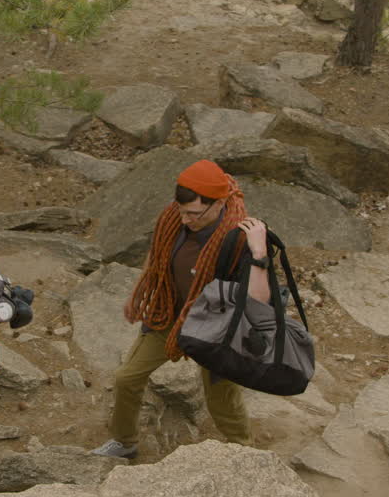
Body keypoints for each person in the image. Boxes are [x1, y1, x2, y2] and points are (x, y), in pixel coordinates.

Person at [92, 159, 272, 459]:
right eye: (181, 211)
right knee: (127, 377)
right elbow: (158, 252)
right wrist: (139, 292)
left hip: (218, 330)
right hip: (170, 315)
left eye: (194, 214)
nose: (185, 219)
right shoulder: (173, 218)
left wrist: (260, 253)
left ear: (218, 204)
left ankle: (245, 453)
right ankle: (125, 442)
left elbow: (260, 297)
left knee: (221, 399)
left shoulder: (239, 238)